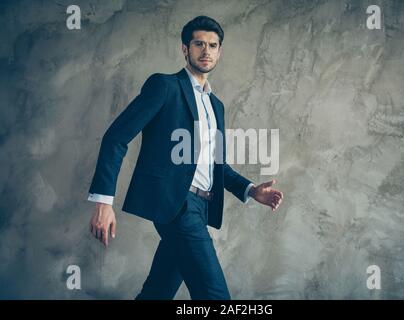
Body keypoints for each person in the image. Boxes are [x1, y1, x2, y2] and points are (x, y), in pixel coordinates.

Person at [87, 15, 283, 300]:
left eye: (213, 45)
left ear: (219, 52)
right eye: (199, 44)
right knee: (215, 297)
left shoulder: (215, 106)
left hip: (201, 207)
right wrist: (104, 202)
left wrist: (252, 190)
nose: (206, 51)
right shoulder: (165, 87)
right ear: (185, 49)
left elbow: (218, 165)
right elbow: (116, 137)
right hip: (176, 205)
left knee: (157, 292)